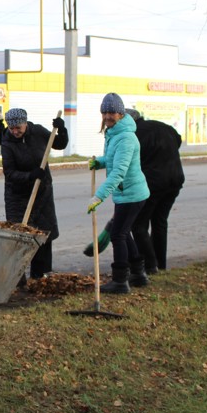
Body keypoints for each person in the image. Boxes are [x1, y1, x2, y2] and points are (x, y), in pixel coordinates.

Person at [87, 93, 150, 294]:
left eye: (112, 112)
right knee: (124, 232)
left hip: (131, 194)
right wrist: (100, 162)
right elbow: (113, 159)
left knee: (117, 235)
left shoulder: (126, 138)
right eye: (105, 112)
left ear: (120, 113)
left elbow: (119, 172)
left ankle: (120, 281)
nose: (107, 116)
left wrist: (99, 196)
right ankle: (138, 274)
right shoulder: (114, 132)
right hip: (127, 193)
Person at [1, 107, 68, 279]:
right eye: (12, 128)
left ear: (25, 123)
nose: (15, 131)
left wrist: (62, 128)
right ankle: (17, 278)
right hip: (18, 195)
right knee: (21, 236)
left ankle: (40, 275)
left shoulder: (38, 131)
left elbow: (59, 143)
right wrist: (30, 176)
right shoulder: (7, 142)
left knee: (44, 234)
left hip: (42, 192)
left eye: (18, 128)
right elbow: (9, 173)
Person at [125, 108, 185, 274]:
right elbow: (178, 141)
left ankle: (150, 266)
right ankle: (160, 264)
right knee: (160, 222)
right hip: (175, 180)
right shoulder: (163, 127)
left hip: (153, 184)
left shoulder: (134, 135)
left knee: (138, 225)